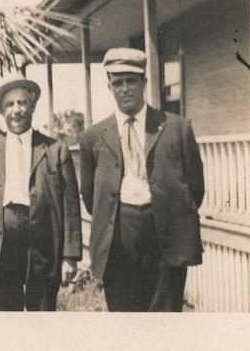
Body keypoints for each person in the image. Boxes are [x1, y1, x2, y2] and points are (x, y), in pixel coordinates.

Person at [79, 47, 205, 312]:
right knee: (125, 319)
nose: (125, 88)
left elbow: (195, 188)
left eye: (132, 81)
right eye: (118, 82)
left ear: (144, 83)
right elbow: (90, 196)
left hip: (165, 237)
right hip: (117, 236)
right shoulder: (92, 137)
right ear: (109, 87)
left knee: (165, 316)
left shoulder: (176, 128)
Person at [0, 78, 81, 311]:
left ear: (33, 106)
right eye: (9, 105)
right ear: (1, 111)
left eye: (22, 103)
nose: (16, 110)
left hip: (43, 243)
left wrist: (70, 255)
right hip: (0, 244)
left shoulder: (56, 150)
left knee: (43, 314)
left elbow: (71, 207)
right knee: (7, 317)